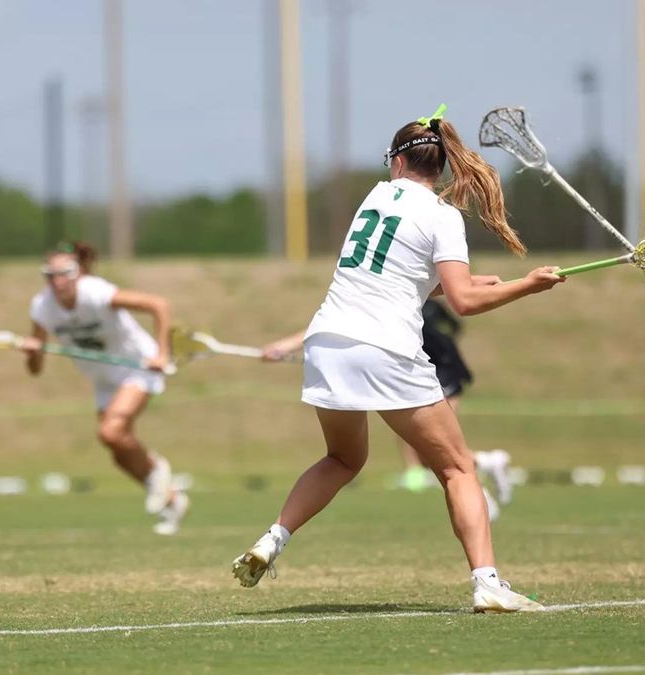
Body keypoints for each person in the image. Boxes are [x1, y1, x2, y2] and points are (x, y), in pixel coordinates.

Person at [236, 106, 564, 612]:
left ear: (396, 162)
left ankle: (273, 539)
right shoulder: (443, 216)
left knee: (342, 459)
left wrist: (474, 280)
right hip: (384, 347)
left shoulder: (374, 197)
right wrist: (528, 285)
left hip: (326, 341)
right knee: (457, 470)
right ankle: (488, 584)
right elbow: (462, 304)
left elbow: (408, 279)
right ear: (442, 165)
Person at [262, 299, 516, 520]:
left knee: (439, 450)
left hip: (443, 369)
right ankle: (488, 464)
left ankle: (482, 495)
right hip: (420, 369)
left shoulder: (396, 298)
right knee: (431, 452)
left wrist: (288, 346)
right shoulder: (368, 299)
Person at [23, 242, 189, 535]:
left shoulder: (96, 292)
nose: (57, 281)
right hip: (103, 380)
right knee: (117, 450)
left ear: (79, 272)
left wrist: (162, 353)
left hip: (136, 367)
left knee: (110, 431)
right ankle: (172, 500)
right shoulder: (42, 307)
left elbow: (158, 305)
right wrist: (33, 351)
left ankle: (157, 470)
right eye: (50, 275)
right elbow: (34, 370)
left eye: (65, 273)